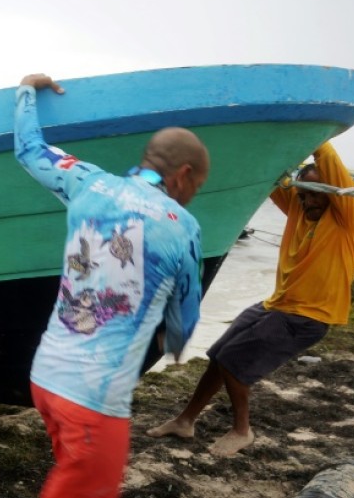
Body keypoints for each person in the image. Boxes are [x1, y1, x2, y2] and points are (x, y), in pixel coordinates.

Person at [15, 73, 209, 498]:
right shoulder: (184, 227)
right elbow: (185, 317)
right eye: (197, 185)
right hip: (93, 401)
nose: (194, 194)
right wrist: (173, 343)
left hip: (45, 379)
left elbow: (29, 150)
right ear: (184, 174)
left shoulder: (89, 182)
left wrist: (27, 90)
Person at [146, 141, 354, 456]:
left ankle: (242, 430)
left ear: (333, 191)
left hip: (309, 316)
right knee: (219, 353)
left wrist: (303, 128)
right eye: (304, 193)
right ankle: (185, 421)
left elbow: (327, 154)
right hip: (277, 304)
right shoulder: (299, 208)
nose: (308, 201)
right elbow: (272, 174)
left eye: (317, 193)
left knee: (234, 361)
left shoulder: (350, 219)